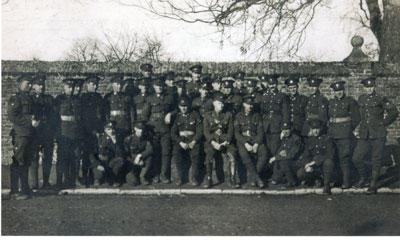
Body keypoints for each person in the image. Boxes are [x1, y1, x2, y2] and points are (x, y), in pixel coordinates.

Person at [352, 77, 399, 194]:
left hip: (378, 133)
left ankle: (373, 184)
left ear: (374, 87)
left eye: (371, 86)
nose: (369, 89)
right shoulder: (361, 99)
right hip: (364, 134)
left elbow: (394, 112)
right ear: (364, 88)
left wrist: (384, 123)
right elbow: (359, 116)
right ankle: (364, 178)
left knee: (376, 159)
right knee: (357, 157)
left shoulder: (380, 98)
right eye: (367, 87)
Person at [7, 75, 39, 200]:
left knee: (26, 161)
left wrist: (36, 121)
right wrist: (29, 122)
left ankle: (25, 189)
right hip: (20, 134)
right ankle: (14, 191)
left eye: (31, 84)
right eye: (27, 83)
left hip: (30, 134)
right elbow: (12, 115)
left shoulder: (30, 98)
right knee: (17, 161)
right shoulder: (16, 98)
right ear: (20, 84)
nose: (30, 86)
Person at [327, 81, 360, 189]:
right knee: (334, 157)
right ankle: (338, 180)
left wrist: (349, 129)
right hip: (333, 134)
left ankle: (346, 182)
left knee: (344, 158)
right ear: (334, 92)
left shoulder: (350, 101)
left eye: (340, 90)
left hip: (345, 134)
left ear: (343, 90)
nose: (339, 93)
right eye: (336, 91)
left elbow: (356, 118)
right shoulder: (331, 102)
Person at [203, 93, 239, 188]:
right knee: (209, 155)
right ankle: (209, 179)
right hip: (213, 141)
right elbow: (206, 132)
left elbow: (231, 130)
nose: (221, 105)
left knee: (232, 154)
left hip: (225, 141)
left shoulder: (228, 115)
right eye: (219, 103)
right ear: (214, 103)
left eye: (223, 103)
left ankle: (232, 179)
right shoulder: (208, 116)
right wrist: (213, 143)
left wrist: (226, 141)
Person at [146, 77, 176, 184]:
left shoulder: (170, 98)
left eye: (161, 86)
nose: (159, 88)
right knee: (155, 153)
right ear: (154, 87)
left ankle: (164, 175)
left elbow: (176, 109)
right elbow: (145, 115)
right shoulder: (150, 99)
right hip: (153, 129)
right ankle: (155, 175)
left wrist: (170, 114)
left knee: (166, 153)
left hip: (165, 129)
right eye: (157, 86)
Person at [54, 78, 82, 189]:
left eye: (73, 87)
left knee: (75, 156)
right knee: (62, 157)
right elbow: (55, 117)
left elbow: (80, 117)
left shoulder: (77, 100)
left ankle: (74, 179)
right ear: (64, 87)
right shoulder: (59, 100)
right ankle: (60, 181)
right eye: (69, 87)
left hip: (75, 131)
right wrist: (57, 133)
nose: (71, 89)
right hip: (63, 132)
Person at [30, 75, 57, 190]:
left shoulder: (49, 99)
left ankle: (46, 182)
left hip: (47, 132)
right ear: (33, 86)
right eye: (39, 84)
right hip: (35, 132)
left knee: (48, 157)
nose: (41, 87)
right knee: (34, 157)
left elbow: (54, 116)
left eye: (43, 84)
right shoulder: (30, 99)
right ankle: (35, 183)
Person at [234, 96, 267, 188]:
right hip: (243, 141)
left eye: (251, 104)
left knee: (264, 152)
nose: (250, 106)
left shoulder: (257, 116)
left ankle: (253, 178)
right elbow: (236, 133)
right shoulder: (238, 116)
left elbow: (260, 131)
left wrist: (256, 144)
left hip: (255, 139)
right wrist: (245, 143)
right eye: (248, 104)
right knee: (243, 154)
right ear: (244, 104)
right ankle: (257, 178)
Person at [297, 119, 335, 195]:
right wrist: (306, 165)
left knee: (328, 162)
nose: (316, 131)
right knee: (300, 173)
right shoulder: (310, 140)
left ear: (321, 128)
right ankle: (317, 180)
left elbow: (330, 154)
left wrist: (314, 162)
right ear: (311, 129)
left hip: (325, 167)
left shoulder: (327, 139)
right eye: (313, 129)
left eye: (317, 128)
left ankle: (326, 185)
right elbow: (306, 156)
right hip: (315, 168)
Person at [171, 96, 203, 186]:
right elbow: (173, 133)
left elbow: (200, 130)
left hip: (192, 140)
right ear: (179, 106)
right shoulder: (177, 116)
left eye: (185, 106)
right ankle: (180, 178)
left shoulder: (195, 114)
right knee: (177, 153)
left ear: (188, 106)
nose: (183, 108)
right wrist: (180, 142)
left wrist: (194, 141)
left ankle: (193, 178)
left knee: (195, 155)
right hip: (181, 141)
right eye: (181, 106)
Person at [80, 75, 104, 187]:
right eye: (92, 84)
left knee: (96, 153)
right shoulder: (83, 98)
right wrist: (88, 130)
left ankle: (95, 177)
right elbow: (83, 117)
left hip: (98, 130)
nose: (95, 86)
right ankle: (85, 177)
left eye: (96, 84)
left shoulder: (99, 97)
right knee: (86, 155)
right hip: (86, 131)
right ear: (87, 84)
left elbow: (102, 115)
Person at [260, 74, 289, 157]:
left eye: (273, 84)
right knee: (266, 150)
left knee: (274, 149)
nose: (272, 86)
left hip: (276, 127)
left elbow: (286, 113)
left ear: (276, 84)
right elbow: (262, 112)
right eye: (270, 84)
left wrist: (284, 128)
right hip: (266, 127)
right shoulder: (264, 96)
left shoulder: (282, 96)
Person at [90, 121, 127, 187]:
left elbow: (120, 154)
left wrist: (115, 142)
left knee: (120, 160)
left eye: (113, 129)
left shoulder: (117, 138)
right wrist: (97, 164)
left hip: (110, 162)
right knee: (99, 174)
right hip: (100, 162)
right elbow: (92, 154)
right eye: (109, 129)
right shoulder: (100, 138)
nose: (111, 131)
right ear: (105, 130)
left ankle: (113, 179)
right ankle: (97, 179)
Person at [269, 122, 302, 187]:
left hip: (296, 163)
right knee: (278, 160)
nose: (285, 132)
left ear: (291, 129)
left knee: (282, 161)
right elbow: (280, 151)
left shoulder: (296, 139)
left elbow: (292, 155)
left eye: (287, 129)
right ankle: (276, 177)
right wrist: (277, 156)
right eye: (283, 130)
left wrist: (276, 157)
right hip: (287, 162)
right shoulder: (284, 138)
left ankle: (292, 181)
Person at [103, 75, 134, 140]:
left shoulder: (127, 97)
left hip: (125, 124)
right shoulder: (108, 97)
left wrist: (132, 125)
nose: (119, 86)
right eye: (117, 84)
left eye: (121, 84)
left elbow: (131, 112)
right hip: (113, 124)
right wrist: (108, 124)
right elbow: (106, 112)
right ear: (112, 85)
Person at [125, 121, 153, 186]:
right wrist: (134, 160)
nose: (141, 131)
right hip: (131, 161)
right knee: (133, 182)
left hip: (141, 160)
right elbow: (125, 154)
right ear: (135, 129)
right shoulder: (129, 139)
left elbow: (150, 150)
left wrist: (140, 156)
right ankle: (133, 176)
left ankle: (142, 176)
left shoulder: (145, 138)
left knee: (149, 157)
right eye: (139, 129)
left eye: (143, 129)